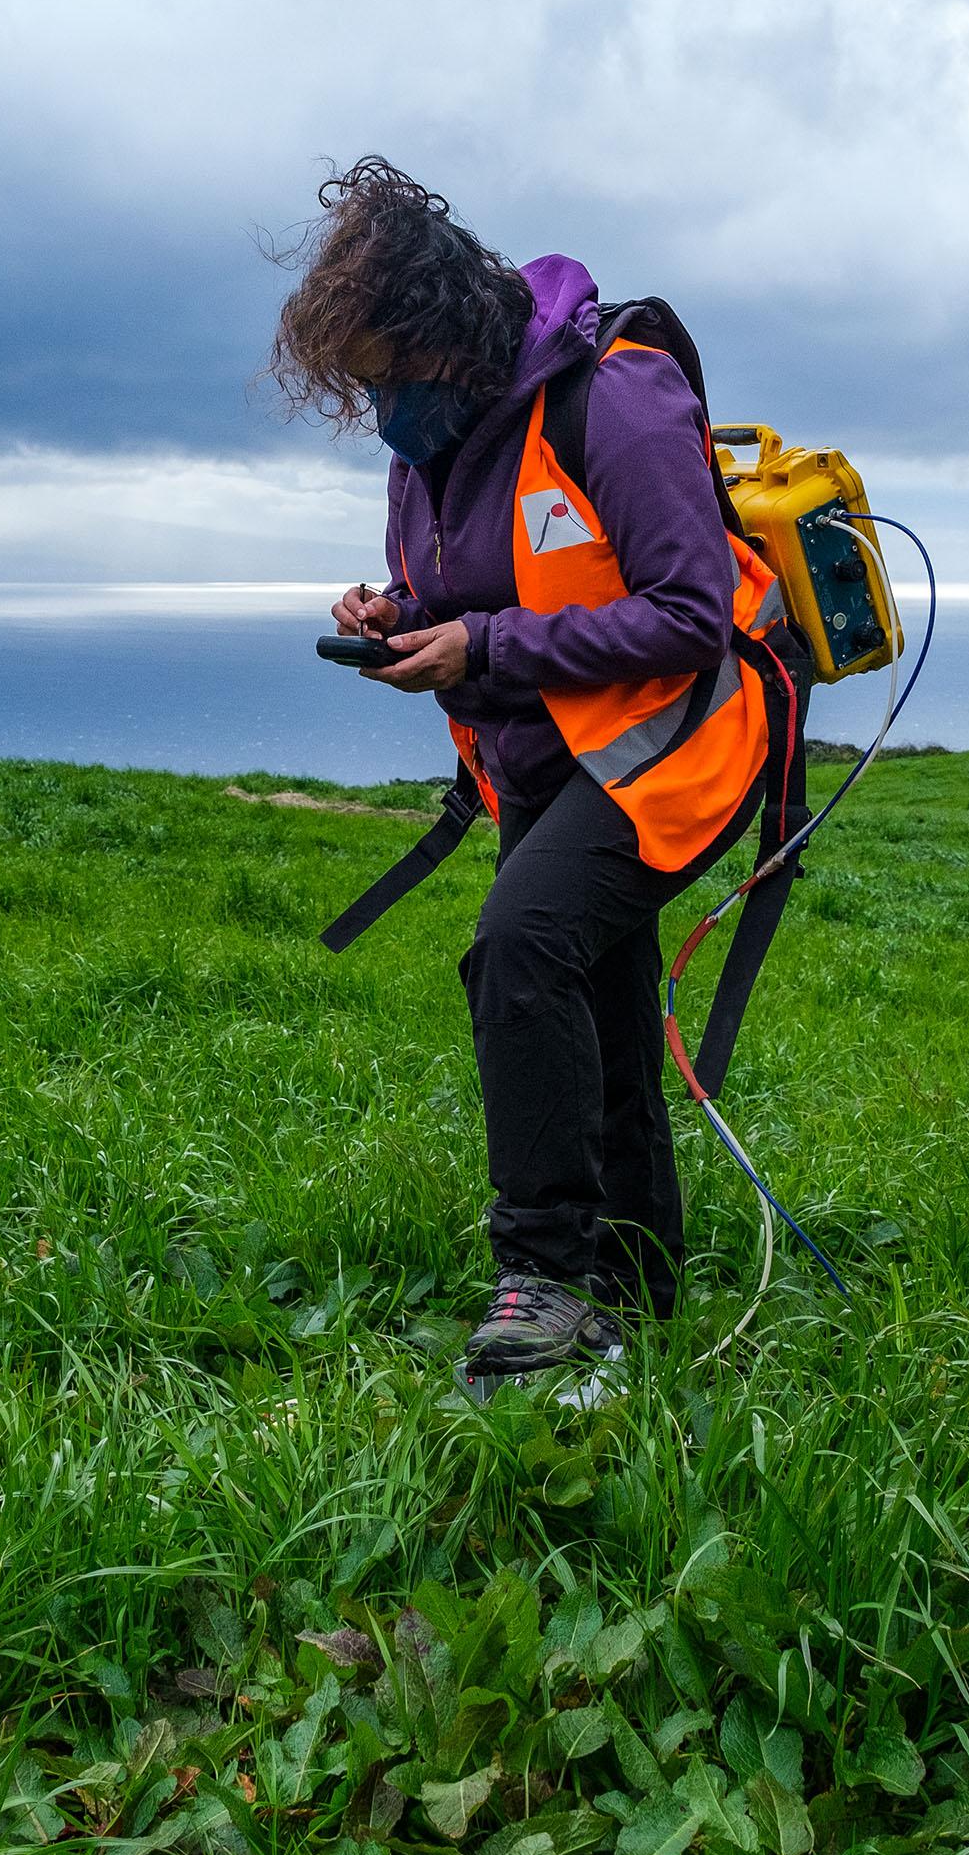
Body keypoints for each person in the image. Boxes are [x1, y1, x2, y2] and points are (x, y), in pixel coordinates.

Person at [276, 159, 799, 1398]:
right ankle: (637, 1293)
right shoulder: (433, 442)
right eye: (357, 381)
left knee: (518, 949)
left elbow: (687, 617)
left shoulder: (614, 401)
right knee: (598, 1002)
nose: (374, 404)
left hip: (677, 748)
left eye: (381, 371)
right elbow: (484, 585)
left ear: (447, 333)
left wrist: (483, 648)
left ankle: (548, 1285)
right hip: (546, 762)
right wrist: (400, 612)